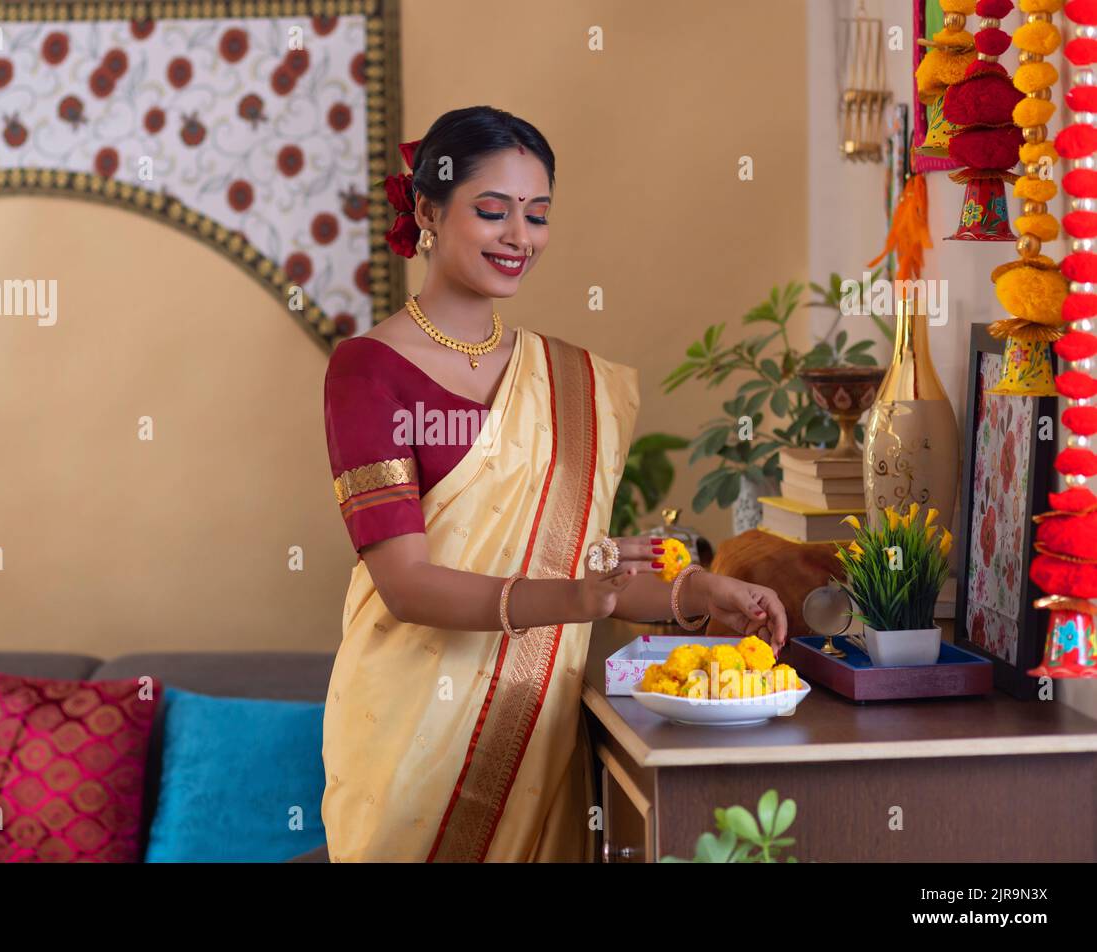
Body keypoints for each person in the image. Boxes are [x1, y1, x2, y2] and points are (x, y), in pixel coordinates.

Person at [320, 106, 787, 862]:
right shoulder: (366, 370)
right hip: (407, 735)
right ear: (429, 212)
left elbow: (588, 574)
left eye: (536, 215)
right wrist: (575, 599)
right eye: (493, 211)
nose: (519, 237)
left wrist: (698, 593)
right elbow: (406, 586)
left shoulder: (572, 381)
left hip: (531, 725)